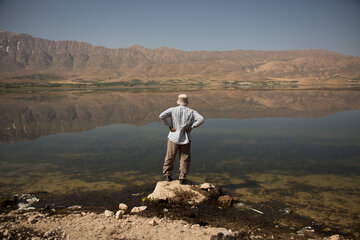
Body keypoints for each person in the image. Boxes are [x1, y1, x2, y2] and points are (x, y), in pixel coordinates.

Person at [159, 94, 205, 184]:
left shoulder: (173, 109)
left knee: (170, 156)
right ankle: (182, 177)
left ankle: (167, 175)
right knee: (185, 157)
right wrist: (192, 127)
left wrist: (169, 126)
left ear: (179, 101)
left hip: (173, 137)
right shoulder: (192, 112)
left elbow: (161, 116)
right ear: (186, 102)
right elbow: (201, 119)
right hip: (186, 138)